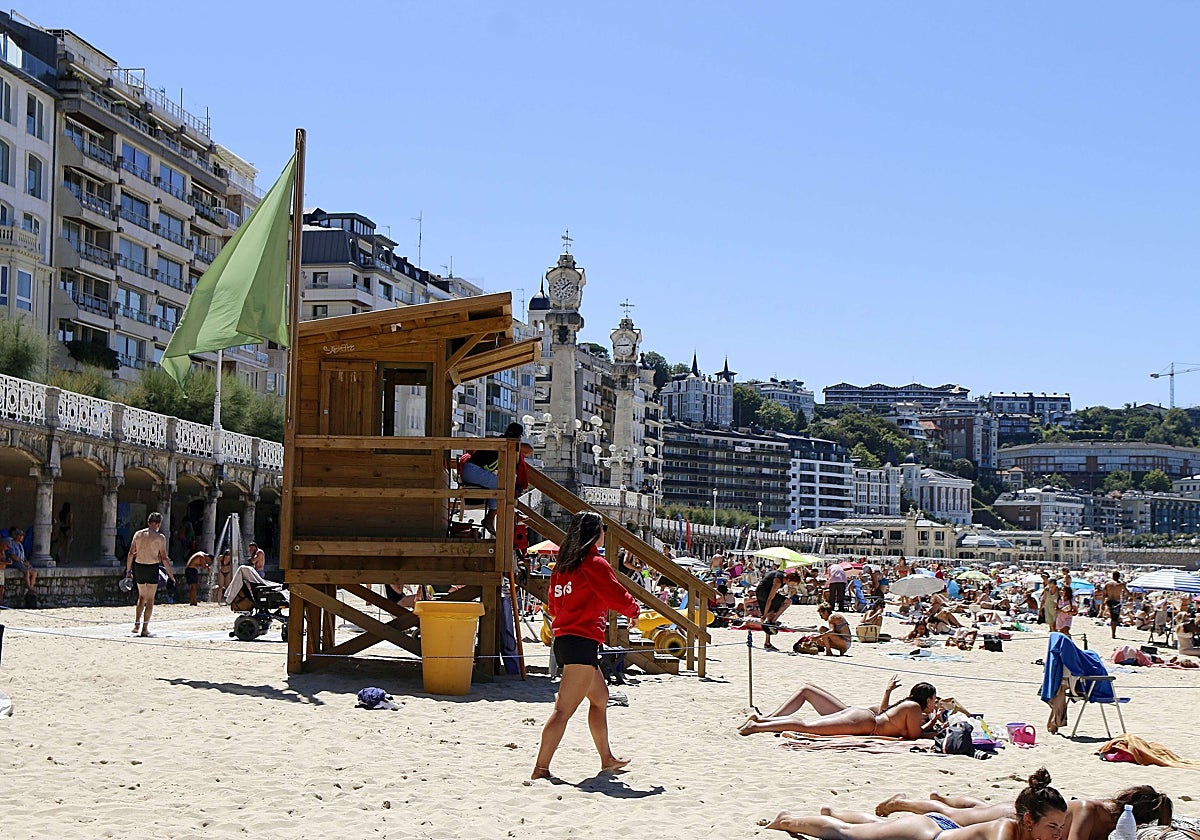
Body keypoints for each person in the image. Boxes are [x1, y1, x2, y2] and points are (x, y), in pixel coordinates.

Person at [531, 511, 639, 781]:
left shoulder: (563, 565)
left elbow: (554, 606)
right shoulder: (594, 562)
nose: (605, 532)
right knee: (563, 710)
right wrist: (634, 609)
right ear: (596, 532)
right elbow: (615, 594)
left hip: (566, 639)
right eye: (603, 528)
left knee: (600, 699)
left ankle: (607, 759)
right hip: (581, 641)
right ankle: (541, 769)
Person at [762, 769, 1070, 840]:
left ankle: (834, 811)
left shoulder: (1036, 836)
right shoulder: (1005, 829)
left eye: (1060, 827)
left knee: (879, 827)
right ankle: (786, 820)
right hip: (928, 836)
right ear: (1029, 821)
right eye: (1053, 826)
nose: (1059, 834)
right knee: (847, 836)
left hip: (941, 828)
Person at [874, 782, 1172, 840]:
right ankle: (902, 803)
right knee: (954, 817)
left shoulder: (1114, 824)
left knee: (975, 809)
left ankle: (947, 797)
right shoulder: (1091, 810)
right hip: (1015, 817)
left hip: (1034, 819)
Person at [738, 680, 939, 738]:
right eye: (934, 700)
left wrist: (931, 721)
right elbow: (914, 735)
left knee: (810, 725)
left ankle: (762, 721)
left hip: (862, 716)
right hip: (865, 723)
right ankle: (756, 727)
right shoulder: (913, 708)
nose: (934, 703)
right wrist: (934, 727)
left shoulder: (908, 704)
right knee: (807, 727)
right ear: (928, 699)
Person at [459, 422, 525, 537]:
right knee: (503, 486)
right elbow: (527, 450)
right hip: (472, 470)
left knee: (500, 485)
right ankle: (492, 519)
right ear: (519, 437)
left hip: (470, 471)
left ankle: (493, 518)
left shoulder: (502, 442)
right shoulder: (505, 444)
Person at [125, 512, 173, 637]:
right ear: (158, 524)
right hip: (152, 566)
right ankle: (145, 628)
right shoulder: (160, 537)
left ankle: (136, 623)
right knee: (150, 599)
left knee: (141, 597)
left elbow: (131, 553)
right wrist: (171, 575)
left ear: (148, 522)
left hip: (139, 566)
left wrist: (128, 571)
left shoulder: (138, 534)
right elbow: (164, 558)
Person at [756, 567, 802, 650]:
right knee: (787, 602)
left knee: (770, 617)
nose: (793, 585)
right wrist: (764, 614)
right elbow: (770, 598)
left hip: (762, 592)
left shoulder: (783, 578)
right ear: (790, 579)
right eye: (793, 583)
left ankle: (767, 642)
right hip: (763, 593)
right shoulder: (778, 580)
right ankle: (773, 621)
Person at [6, 527, 35, 596]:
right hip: (15, 562)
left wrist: (26, 561)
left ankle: (31, 587)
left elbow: (23, 555)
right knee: (26, 571)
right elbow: (13, 556)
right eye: (21, 536)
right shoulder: (12, 544)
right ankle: (30, 588)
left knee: (34, 572)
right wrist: (23, 562)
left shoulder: (20, 545)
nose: (22, 537)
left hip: (22, 562)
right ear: (17, 536)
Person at [1102, 571, 1129, 639]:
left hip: (1109, 601)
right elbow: (1127, 592)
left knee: (1112, 617)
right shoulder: (1120, 584)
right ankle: (1113, 634)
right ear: (1119, 576)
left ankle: (1113, 633)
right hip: (1116, 602)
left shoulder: (1108, 584)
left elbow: (1104, 595)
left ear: (1112, 576)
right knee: (1114, 618)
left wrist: (1102, 604)